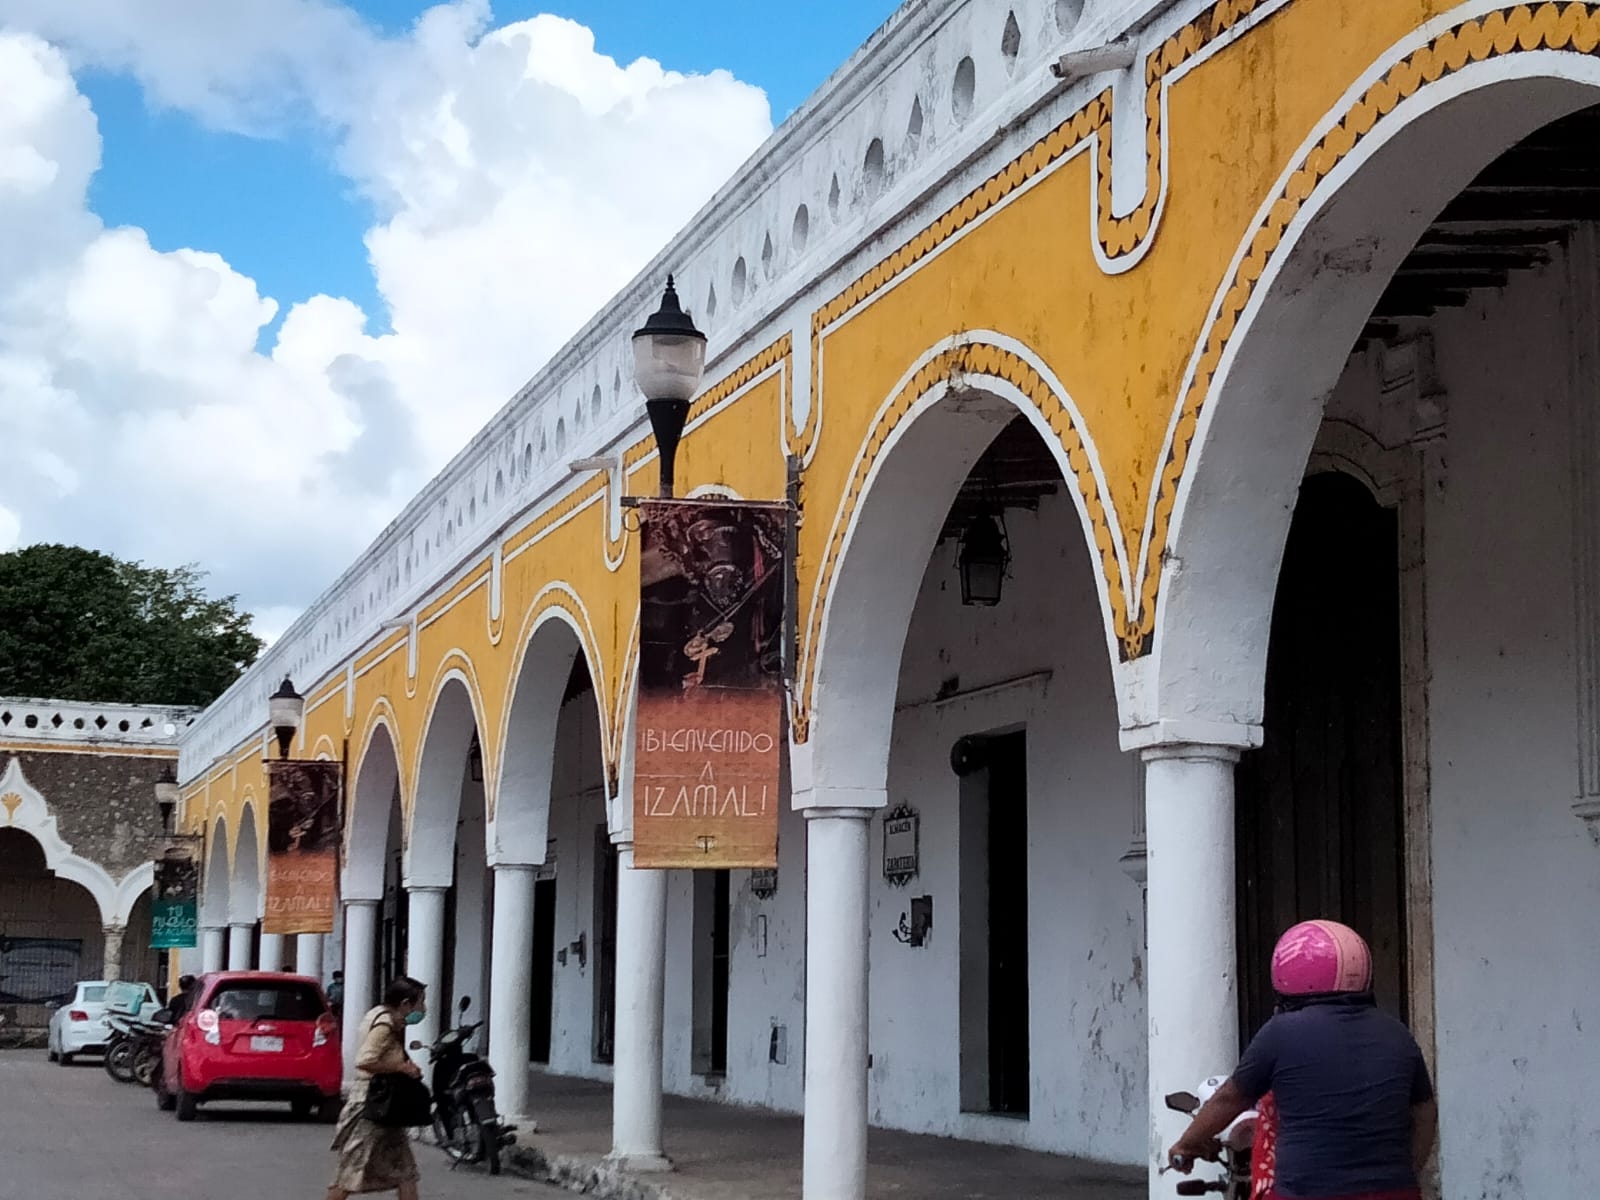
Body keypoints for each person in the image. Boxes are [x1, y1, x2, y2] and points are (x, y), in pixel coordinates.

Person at [1168, 919, 1437, 1200]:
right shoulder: (1397, 1033)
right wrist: (1407, 1171)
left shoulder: (1281, 1032)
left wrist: (1187, 1145)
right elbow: (1425, 1113)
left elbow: (1230, 1098)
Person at [327, 976, 428, 1200]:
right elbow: (365, 1060)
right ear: (405, 1004)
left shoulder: (380, 1016)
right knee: (351, 1170)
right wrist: (402, 1068)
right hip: (372, 1106)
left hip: (386, 1108)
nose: (423, 1009)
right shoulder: (384, 1025)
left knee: (406, 1172)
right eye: (419, 1002)